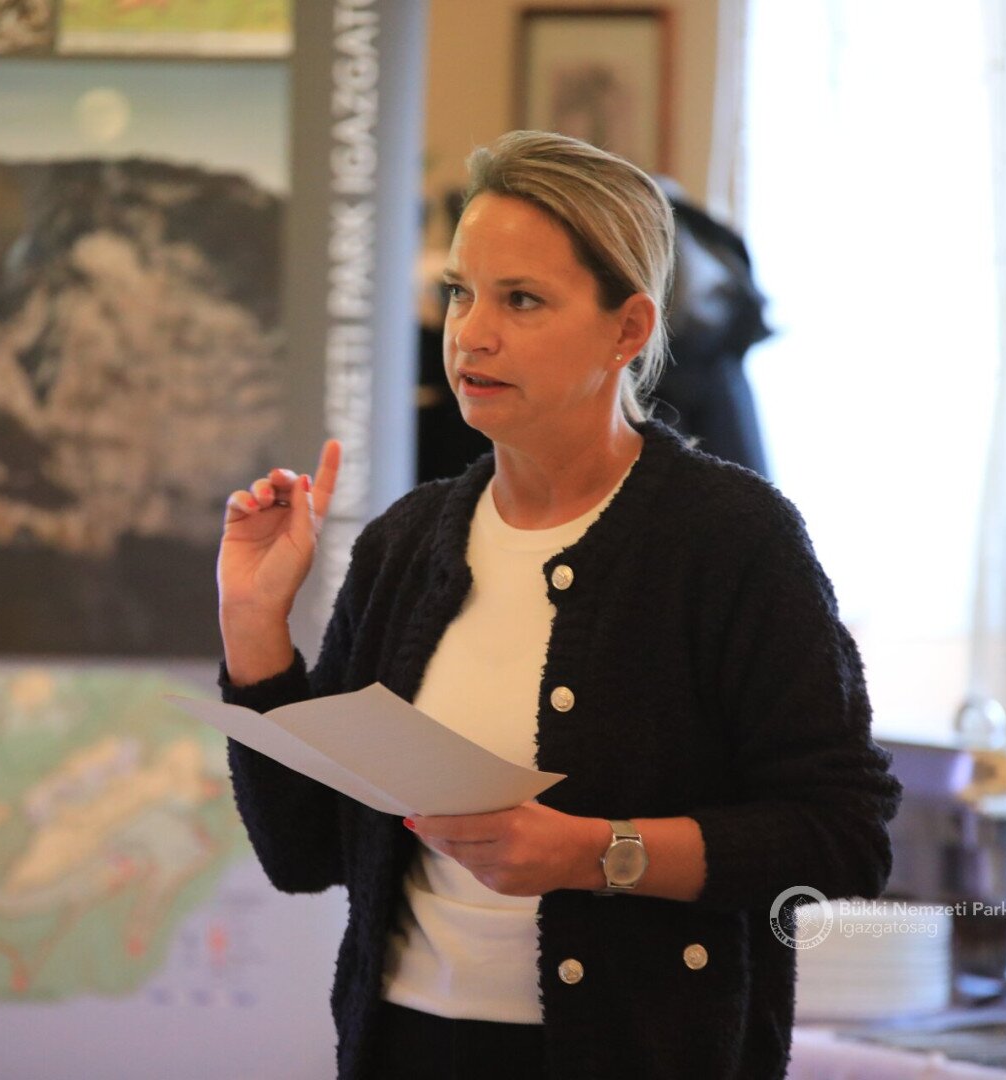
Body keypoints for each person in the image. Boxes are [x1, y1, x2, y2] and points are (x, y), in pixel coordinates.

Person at [215, 130, 901, 1080]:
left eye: (522, 300)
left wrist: (597, 854)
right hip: (407, 1044)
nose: (471, 333)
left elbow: (843, 836)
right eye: (460, 292)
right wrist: (254, 627)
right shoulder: (407, 542)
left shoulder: (730, 540)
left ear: (628, 329)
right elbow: (305, 852)